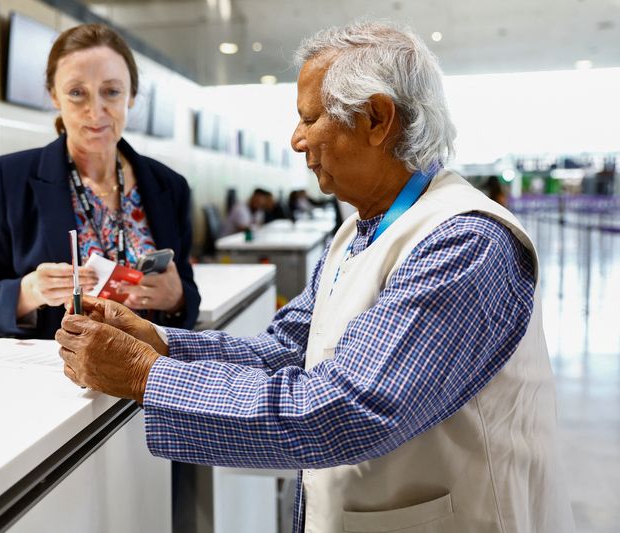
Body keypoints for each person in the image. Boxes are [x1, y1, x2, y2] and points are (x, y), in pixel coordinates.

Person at [56, 21, 574, 533]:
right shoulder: (358, 232)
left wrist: (148, 377)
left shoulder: (464, 243)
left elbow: (346, 407)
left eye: (310, 119)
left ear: (376, 118)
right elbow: (285, 349)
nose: (297, 139)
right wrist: (161, 343)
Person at [0, 24, 200, 338]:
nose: (95, 112)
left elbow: (187, 298)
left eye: (111, 91)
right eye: (77, 93)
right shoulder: (9, 179)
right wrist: (29, 292)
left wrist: (176, 298)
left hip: (147, 374)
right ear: (55, 95)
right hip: (56, 378)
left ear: (131, 96)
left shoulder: (169, 186)